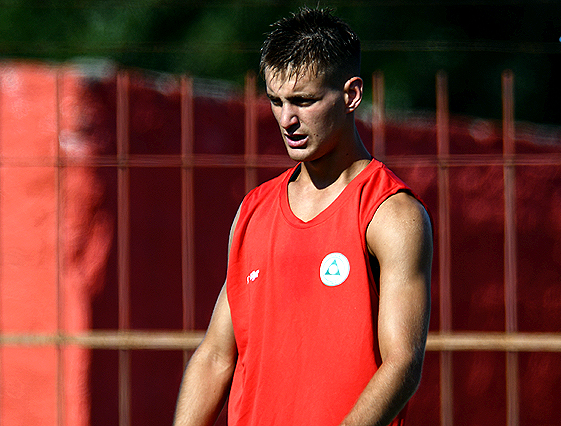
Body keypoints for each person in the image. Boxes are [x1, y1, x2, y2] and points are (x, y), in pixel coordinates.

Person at [173, 7, 432, 426]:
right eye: (276, 101)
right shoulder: (254, 210)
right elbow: (216, 356)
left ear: (351, 95)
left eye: (304, 101)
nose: (287, 120)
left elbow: (403, 362)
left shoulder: (391, 213)